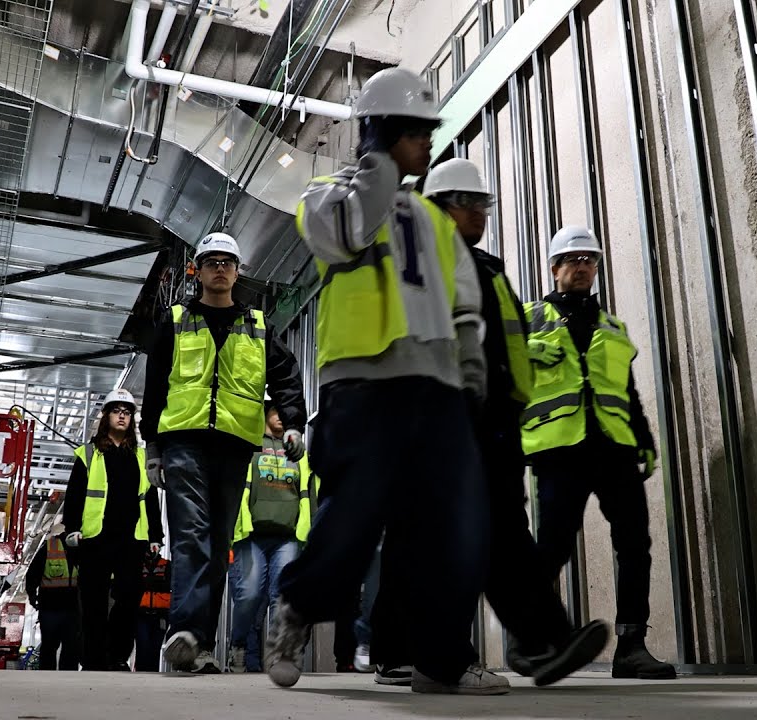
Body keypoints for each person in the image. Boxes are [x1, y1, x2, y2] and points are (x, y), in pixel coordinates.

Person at [264, 67, 507, 695]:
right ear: (385, 131)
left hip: (436, 390)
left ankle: (441, 658)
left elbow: (462, 301)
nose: (429, 144)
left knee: (458, 525)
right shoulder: (324, 195)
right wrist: (377, 167)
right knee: (354, 523)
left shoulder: (431, 220)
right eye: (417, 132)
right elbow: (346, 233)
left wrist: (472, 370)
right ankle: (294, 606)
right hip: (363, 387)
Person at [368, 158, 611, 687]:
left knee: (502, 535)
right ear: (439, 207)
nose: (480, 212)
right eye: (469, 203)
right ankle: (422, 654)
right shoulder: (418, 267)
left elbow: (506, 348)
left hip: (494, 423)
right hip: (441, 419)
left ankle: (543, 642)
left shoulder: (489, 270)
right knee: (433, 540)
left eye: (483, 203)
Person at [141, 232, 308, 673]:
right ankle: (187, 632)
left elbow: (287, 376)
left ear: (238, 272)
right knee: (192, 536)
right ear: (197, 270)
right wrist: (152, 446)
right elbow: (155, 385)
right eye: (211, 261)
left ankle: (198, 647)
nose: (220, 268)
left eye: (227, 262)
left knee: (217, 548)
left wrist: (292, 424)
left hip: (235, 447)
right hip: (184, 440)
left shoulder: (257, 325)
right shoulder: (176, 320)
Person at [520, 226, 676, 680]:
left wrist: (644, 439)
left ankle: (631, 646)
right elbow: (497, 366)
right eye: (573, 260)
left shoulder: (612, 327)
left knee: (635, 545)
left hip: (614, 448)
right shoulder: (529, 317)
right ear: (554, 269)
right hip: (558, 448)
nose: (583, 267)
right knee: (551, 546)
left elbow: (625, 392)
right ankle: (534, 638)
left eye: (590, 259)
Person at [61, 389, 163, 671]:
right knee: (93, 602)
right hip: (96, 538)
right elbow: (75, 495)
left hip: (132, 539)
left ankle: (117, 657)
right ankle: (93, 659)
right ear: (106, 416)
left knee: (129, 599)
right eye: (116, 410)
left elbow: (150, 499)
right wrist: (72, 529)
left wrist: (156, 536)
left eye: (127, 412)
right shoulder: (89, 453)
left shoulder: (141, 457)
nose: (122, 415)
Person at [226, 403, 318, 673]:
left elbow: (309, 493)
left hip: (288, 536)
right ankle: (238, 647)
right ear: (265, 413)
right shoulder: (250, 443)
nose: (280, 416)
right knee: (249, 594)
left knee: (283, 598)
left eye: (284, 412)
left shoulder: (299, 452)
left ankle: (282, 654)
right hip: (250, 533)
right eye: (275, 410)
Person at [25, 520, 80, 671]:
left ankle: (67, 680)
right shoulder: (50, 547)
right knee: (49, 646)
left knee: (71, 647)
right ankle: (47, 677)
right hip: (50, 608)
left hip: (73, 609)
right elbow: (32, 574)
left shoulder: (84, 550)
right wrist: (32, 595)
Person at [133, 553, 171, 672]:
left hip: (161, 613)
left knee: (155, 647)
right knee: (142, 645)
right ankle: (140, 671)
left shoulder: (166, 565)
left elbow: (171, 585)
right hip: (141, 613)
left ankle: (152, 673)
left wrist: (150, 584)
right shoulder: (138, 564)